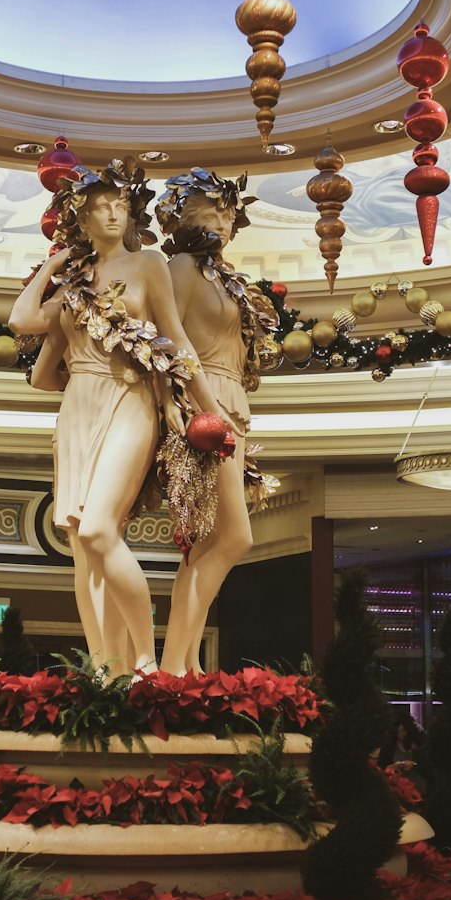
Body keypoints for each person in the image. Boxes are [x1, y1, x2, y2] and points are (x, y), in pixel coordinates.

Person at [9, 159, 220, 676]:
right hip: (78, 406)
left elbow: (175, 338)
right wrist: (53, 265)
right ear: (80, 219)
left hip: (128, 399)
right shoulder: (76, 287)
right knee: (82, 546)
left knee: (101, 529)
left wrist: (210, 407)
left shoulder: (147, 264)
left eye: (120, 205)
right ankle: (108, 667)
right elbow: (22, 322)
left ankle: (147, 657)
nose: (111, 214)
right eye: (99, 207)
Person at [152, 169, 280, 676]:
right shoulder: (180, 267)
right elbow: (168, 340)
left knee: (205, 542)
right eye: (212, 211)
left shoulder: (219, 276)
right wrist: (197, 407)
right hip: (205, 407)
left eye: (228, 213)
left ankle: (181, 665)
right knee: (235, 539)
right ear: (183, 217)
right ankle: (173, 663)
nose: (223, 221)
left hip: (227, 401)